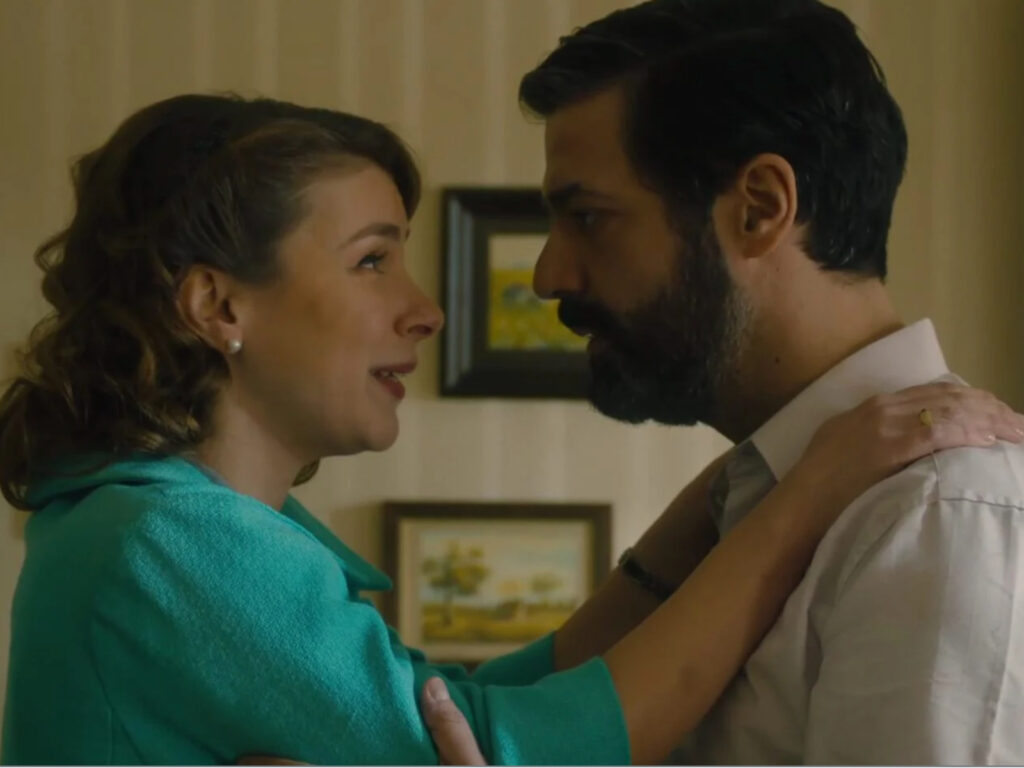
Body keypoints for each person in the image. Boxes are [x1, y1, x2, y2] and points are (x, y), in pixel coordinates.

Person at [0, 93, 1019, 767]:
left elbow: (439, 709)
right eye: (372, 260)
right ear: (219, 304)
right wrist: (803, 496)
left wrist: (706, 514)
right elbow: (504, 747)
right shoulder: (163, 542)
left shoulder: (145, 530)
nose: (423, 310)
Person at [423, 0, 1024, 764]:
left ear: (760, 208)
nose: (547, 275)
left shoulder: (938, 516)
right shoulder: (752, 501)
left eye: (590, 218)